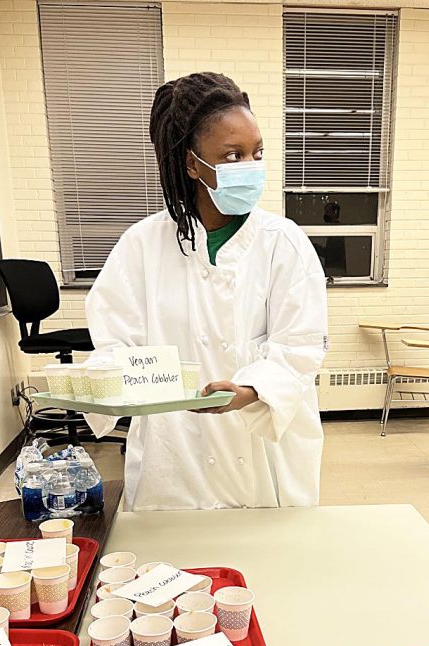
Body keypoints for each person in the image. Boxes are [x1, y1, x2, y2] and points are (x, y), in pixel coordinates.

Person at [85, 72, 328, 510]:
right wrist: (99, 382)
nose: (251, 167)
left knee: (267, 568)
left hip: (262, 455)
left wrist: (251, 390)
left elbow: (300, 347)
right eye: (233, 156)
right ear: (192, 163)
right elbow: (114, 344)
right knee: (174, 567)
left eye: (258, 153)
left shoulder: (283, 242)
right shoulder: (142, 246)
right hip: (176, 452)